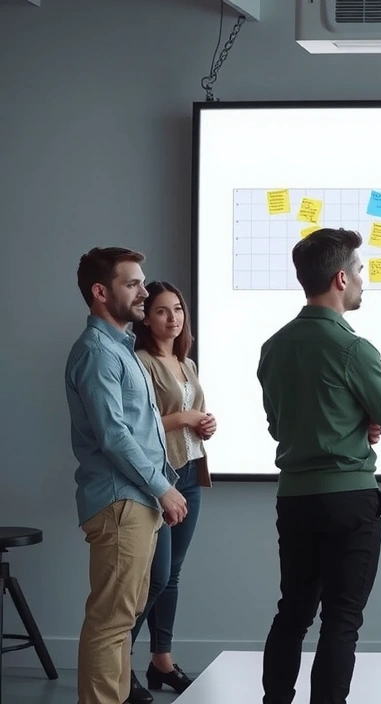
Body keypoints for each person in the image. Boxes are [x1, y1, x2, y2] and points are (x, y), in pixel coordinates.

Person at [257, 227, 381, 704]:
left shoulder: (274, 347)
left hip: (294, 501)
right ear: (339, 278)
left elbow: (281, 426)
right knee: (341, 621)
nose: (361, 281)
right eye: (358, 271)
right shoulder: (355, 349)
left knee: (292, 613)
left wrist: (355, 421)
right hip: (348, 501)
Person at [65, 247, 188, 704]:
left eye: (142, 281)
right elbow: (114, 436)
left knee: (122, 618)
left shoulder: (120, 347)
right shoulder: (98, 351)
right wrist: (164, 487)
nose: (144, 290)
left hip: (136, 502)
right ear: (101, 292)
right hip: (122, 502)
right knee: (111, 621)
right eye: (131, 283)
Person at [123, 281, 216, 703]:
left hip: (191, 473)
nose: (172, 318)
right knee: (155, 577)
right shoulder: (140, 361)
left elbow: (186, 419)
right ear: (146, 317)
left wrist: (204, 425)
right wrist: (184, 417)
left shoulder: (186, 364)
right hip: (161, 479)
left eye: (177, 309)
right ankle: (118, 664)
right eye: (161, 311)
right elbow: (138, 427)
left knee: (172, 574)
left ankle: (161, 660)